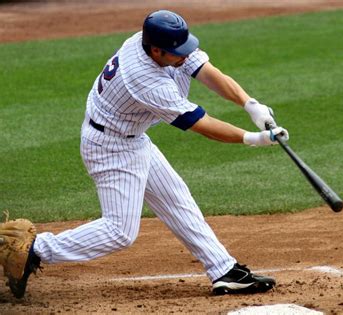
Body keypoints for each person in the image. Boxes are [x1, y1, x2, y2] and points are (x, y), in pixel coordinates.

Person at [3, 10, 289, 298]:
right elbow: (202, 125)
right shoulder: (144, 79)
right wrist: (254, 138)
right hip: (109, 148)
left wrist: (250, 104)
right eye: (177, 53)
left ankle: (223, 270)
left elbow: (206, 71)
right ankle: (34, 250)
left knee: (177, 198)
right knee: (120, 231)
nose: (183, 56)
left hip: (131, 138)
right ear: (155, 50)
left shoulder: (158, 43)